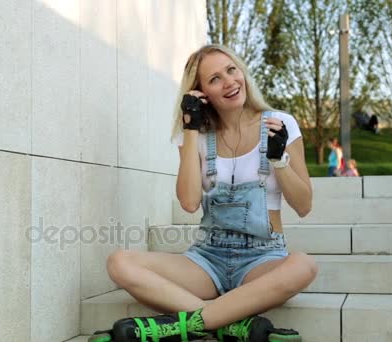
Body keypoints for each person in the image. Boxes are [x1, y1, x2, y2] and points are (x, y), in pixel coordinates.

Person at [89, 44, 317, 342]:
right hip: (208, 258)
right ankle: (229, 325)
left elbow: (304, 205)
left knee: (304, 266)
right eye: (215, 79)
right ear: (201, 93)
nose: (230, 82)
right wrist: (190, 130)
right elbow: (188, 202)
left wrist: (279, 160)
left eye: (231, 70)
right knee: (119, 262)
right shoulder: (196, 136)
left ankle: (173, 326)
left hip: (262, 258)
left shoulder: (280, 124)